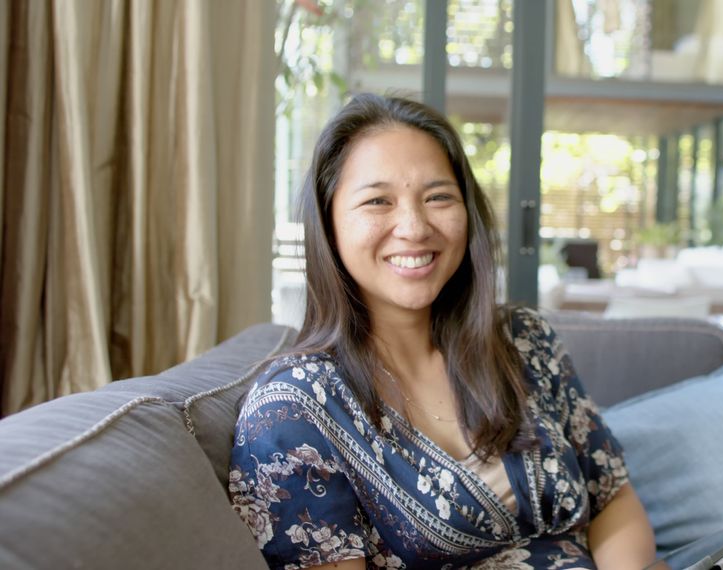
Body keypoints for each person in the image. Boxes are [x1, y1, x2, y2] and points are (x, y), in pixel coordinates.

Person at [228, 93, 658, 569]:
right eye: (377, 201)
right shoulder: (291, 412)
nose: (414, 227)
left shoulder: (523, 340)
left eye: (438, 197)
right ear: (328, 225)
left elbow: (611, 498)